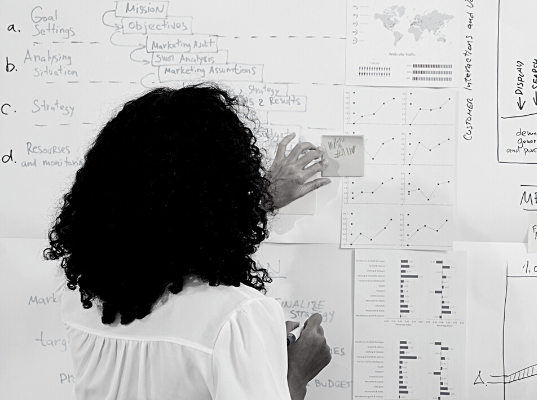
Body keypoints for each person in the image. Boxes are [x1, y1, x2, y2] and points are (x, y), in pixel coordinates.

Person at [45, 84, 333, 400]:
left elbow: (160, 225)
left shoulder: (81, 296)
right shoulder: (237, 318)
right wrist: (296, 376)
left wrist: (260, 201)